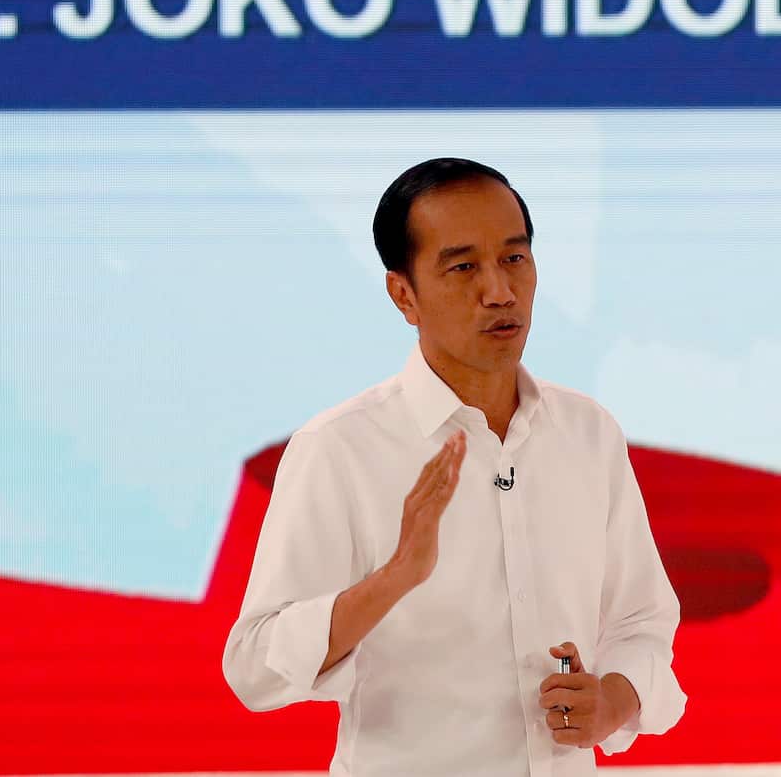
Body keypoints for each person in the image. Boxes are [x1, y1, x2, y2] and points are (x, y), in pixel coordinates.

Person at [222, 158, 686, 776]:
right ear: (403, 295)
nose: (499, 291)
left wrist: (613, 701)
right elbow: (253, 666)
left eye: (514, 259)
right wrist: (395, 577)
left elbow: (642, 620)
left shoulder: (587, 432)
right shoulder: (339, 447)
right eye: (463, 266)